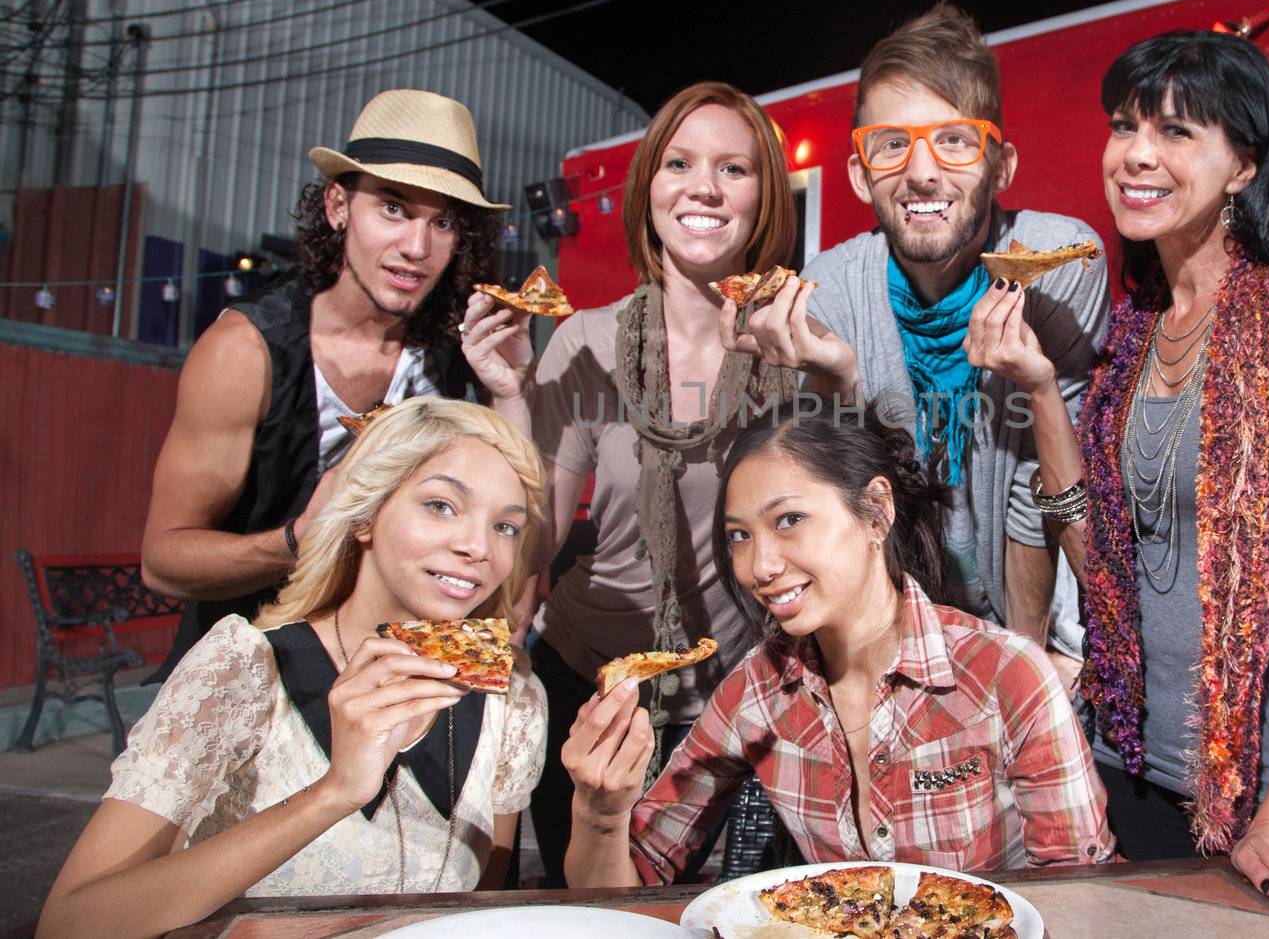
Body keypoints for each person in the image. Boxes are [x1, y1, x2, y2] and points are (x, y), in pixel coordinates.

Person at [1004, 29, 1269, 923]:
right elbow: (1100, 559)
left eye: (1179, 131)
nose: (1137, 154)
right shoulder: (1135, 326)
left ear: (1243, 166)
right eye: (1124, 126)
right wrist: (1041, 390)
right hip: (1131, 757)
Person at [39, 397, 549, 938]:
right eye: (441, 505)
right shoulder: (245, 667)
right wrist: (335, 792)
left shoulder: (511, 698)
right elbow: (71, 924)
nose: (478, 547)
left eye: (506, 527)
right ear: (364, 517)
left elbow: (480, 911)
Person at [466, 81, 805, 885]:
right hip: (588, 690)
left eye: (735, 168)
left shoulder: (791, 348)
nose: (704, 187)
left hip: (731, 709)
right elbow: (533, 539)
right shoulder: (584, 340)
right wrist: (512, 393)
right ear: (648, 185)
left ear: (766, 199)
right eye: (680, 163)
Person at [560, 407, 1115, 886]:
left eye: (790, 520)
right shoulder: (756, 693)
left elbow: (1080, 893)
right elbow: (621, 894)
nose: (761, 566)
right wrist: (600, 814)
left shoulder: (1004, 675)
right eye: (739, 536)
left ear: (876, 511)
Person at [723, 3, 1108, 688]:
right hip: (891, 633)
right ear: (858, 173)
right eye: (892, 144)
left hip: (1028, 624)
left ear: (1002, 164)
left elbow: (1043, 478)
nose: (923, 172)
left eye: (955, 140)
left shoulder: (1056, 264)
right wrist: (839, 384)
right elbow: (842, 518)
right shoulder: (829, 292)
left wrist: (1023, 670)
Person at [141, 89, 520, 676]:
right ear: (338, 205)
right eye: (393, 208)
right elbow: (164, 562)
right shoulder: (245, 350)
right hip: (249, 678)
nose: (416, 247)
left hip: (393, 672)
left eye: (441, 220)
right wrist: (299, 539)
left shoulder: (453, 349)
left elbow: (512, 518)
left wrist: (512, 389)